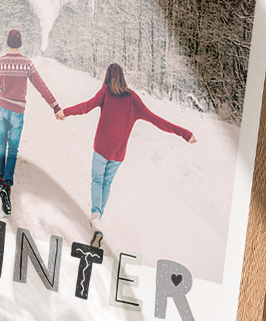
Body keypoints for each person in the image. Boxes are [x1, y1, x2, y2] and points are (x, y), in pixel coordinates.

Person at [61, 62, 196, 246]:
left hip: (101, 148)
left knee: (97, 180)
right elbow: (157, 120)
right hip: (118, 153)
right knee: (106, 184)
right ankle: (97, 222)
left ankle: (96, 218)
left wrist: (65, 112)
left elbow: (86, 106)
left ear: (108, 76)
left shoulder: (105, 92)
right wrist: (185, 133)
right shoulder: (133, 98)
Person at [0, 29, 64, 215]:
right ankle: (7, 184)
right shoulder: (26, 63)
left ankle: (0, 177)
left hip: (3, 108)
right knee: (13, 148)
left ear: (8, 42)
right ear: (20, 43)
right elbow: (41, 86)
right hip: (17, 112)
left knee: (1, 143)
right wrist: (55, 106)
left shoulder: (0, 62)